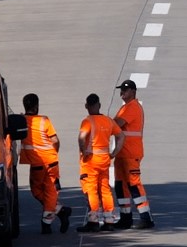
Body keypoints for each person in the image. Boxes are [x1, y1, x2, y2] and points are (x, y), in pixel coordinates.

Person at [20, 93, 71, 234]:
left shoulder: (21, 121)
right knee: (50, 192)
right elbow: (55, 141)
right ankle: (60, 212)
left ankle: (47, 223)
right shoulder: (44, 120)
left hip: (37, 164)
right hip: (51, 161)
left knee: (37, 192)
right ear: (36, 106)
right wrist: (54, 153)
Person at [112, 79, 153, 229]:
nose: (122, 92)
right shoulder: (125, 107)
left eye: (125, 90)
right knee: (120, 185)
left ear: (133, 92)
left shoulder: (133, 107)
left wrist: (101, 124)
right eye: (121, 89)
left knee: (134, 184)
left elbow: (117, 124)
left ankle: (146, 218)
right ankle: (125, 218)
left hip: (131, 153)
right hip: (122, 153)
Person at [77, 92, 120, 231]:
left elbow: (82, 137)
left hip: (91, 161)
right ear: (99, 105)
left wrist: (84, 150)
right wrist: (114, 152)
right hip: (104, 160)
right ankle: (109, 221)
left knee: (91, 190)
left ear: (86, 106)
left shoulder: (87, 121)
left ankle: (93, 221)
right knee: (105, 189)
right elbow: (121, 136)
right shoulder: (108, 121)